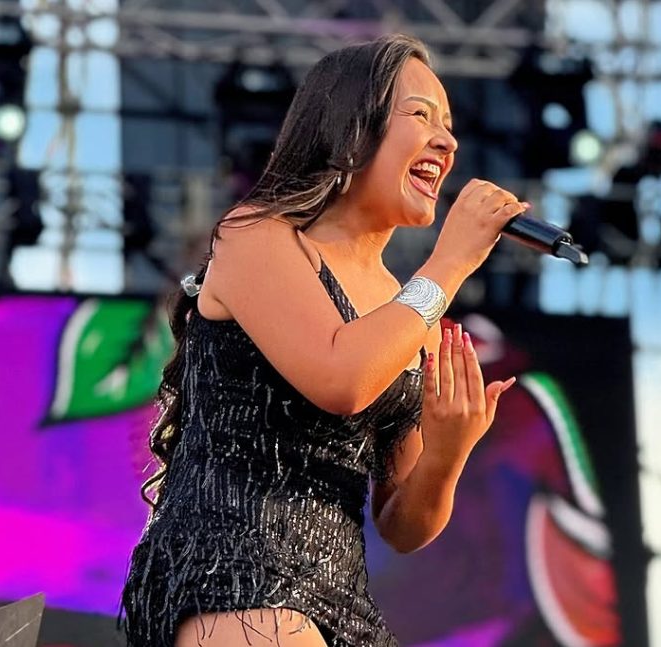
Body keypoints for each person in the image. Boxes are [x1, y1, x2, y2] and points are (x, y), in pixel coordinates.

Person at [121, 33, 530, 647]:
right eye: (420, 115)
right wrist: (450, 265)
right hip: (231, 571)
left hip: (341, 599)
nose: (446, 141)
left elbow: (401, 526)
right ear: (352, 130)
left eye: (448, 125)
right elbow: (342, 380)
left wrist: (448, 452)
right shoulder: (256, 235)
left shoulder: (406, 309)